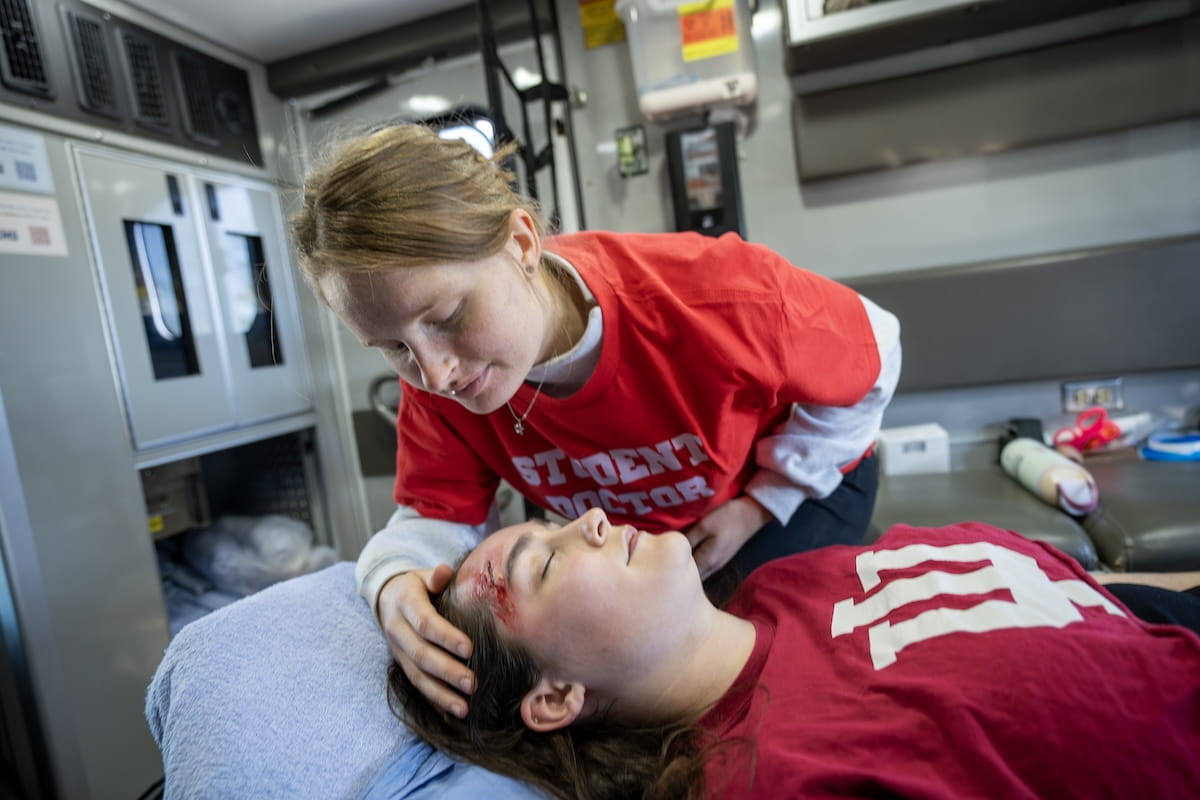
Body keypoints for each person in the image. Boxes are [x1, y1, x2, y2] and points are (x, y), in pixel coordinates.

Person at [290, 123, 901, 718]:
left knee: (767, 667)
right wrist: (393, 580)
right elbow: (436, 515)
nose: (436, 373)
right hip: (662, 540)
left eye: (447, 314)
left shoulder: (713, 298)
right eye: (393, 349)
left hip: (795, 484)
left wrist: (764, 501)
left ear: (523, 245)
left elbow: (878, 353)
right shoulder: (439, 388)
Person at [386, 509, 1200, 800]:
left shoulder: (788, 585)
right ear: (558, 697)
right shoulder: (772, 777)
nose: (591, 519)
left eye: (555, 521)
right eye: (549, 560)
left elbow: (1084, 594)